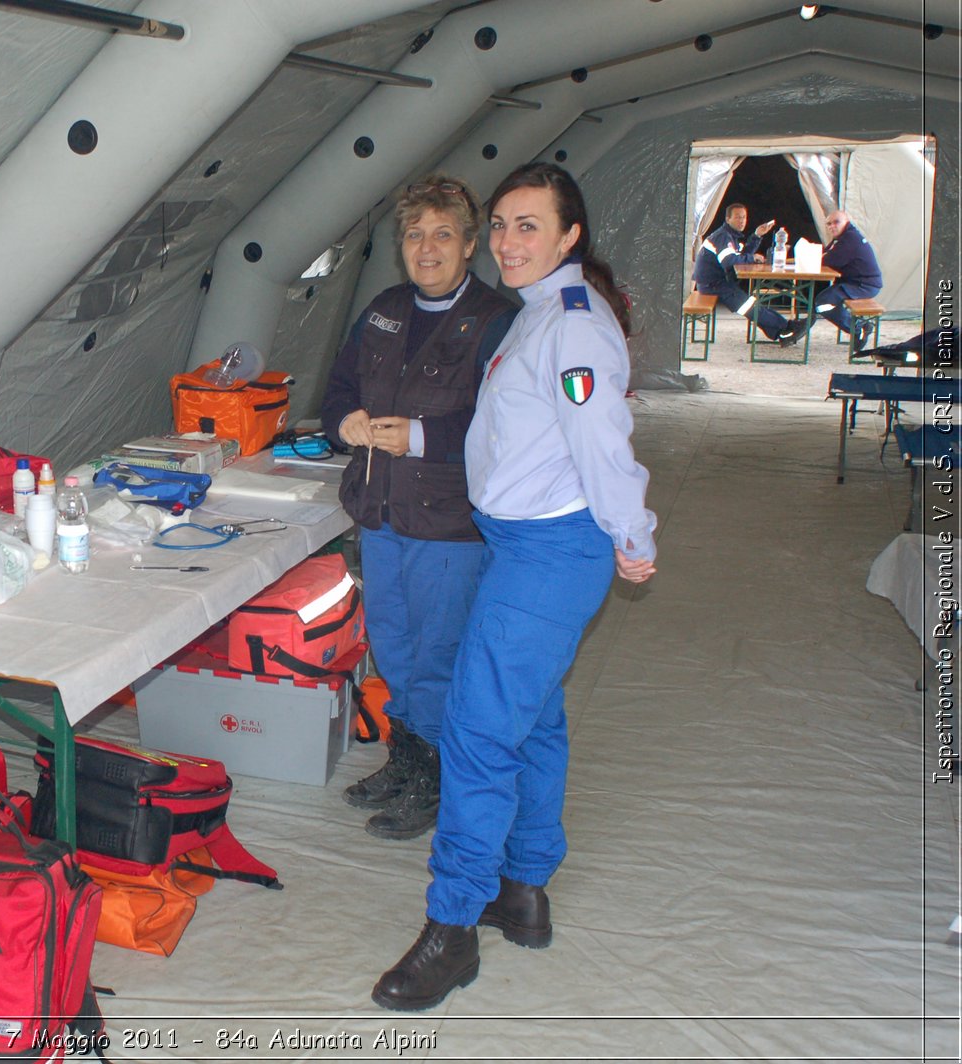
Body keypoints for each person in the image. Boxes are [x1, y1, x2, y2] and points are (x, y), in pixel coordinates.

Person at [371, 162, 657, 1011]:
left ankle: (452, 925)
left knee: (477, 730)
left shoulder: (572, 327)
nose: (506, 241)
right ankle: (524, 889)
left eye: (528, 225)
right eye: (499, 224)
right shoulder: (538, 316)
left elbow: (604, 440)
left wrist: (632, 535)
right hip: (517, 541)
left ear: (570, 236)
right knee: (534, 717)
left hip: (551, 550)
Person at [319, 176, 517, 841]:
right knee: (394, 647)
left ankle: (435, 779)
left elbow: (508, 423)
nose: (425, 249)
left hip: (448, 523)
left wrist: (423, 437)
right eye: (413, 235)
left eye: (441, 235)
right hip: (381, 510)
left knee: (438, 654)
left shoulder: (497, 321)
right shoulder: (384, 308)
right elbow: (339, 386)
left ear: (468, 245)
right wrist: (343, 420)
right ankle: (404, 761)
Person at [693, 202, 799, 347]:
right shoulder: (723, 237)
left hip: (719, 283)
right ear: (728, 219)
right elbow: (729, 261)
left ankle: (782, 331)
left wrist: (757, 235)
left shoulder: (730, 236)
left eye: (744, 217)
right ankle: (788, 328)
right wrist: (752, 258)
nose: (741, 221)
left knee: (751, 304)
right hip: (712, 285)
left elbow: (742, 256)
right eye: (737, 217)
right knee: (749, 306)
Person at [786, 209, 883, 348]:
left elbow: (825, 260)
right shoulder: (843, 237)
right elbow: (824, 254)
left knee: (822, 303)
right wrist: (793, 259)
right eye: (829, 224)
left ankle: (859, 327)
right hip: (853, 283)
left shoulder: (850, 239)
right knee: (821, 300)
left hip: (864, 285)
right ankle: (802, 325)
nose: (832, 226)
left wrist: (799, 258)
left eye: (836, 222)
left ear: (847, 222)